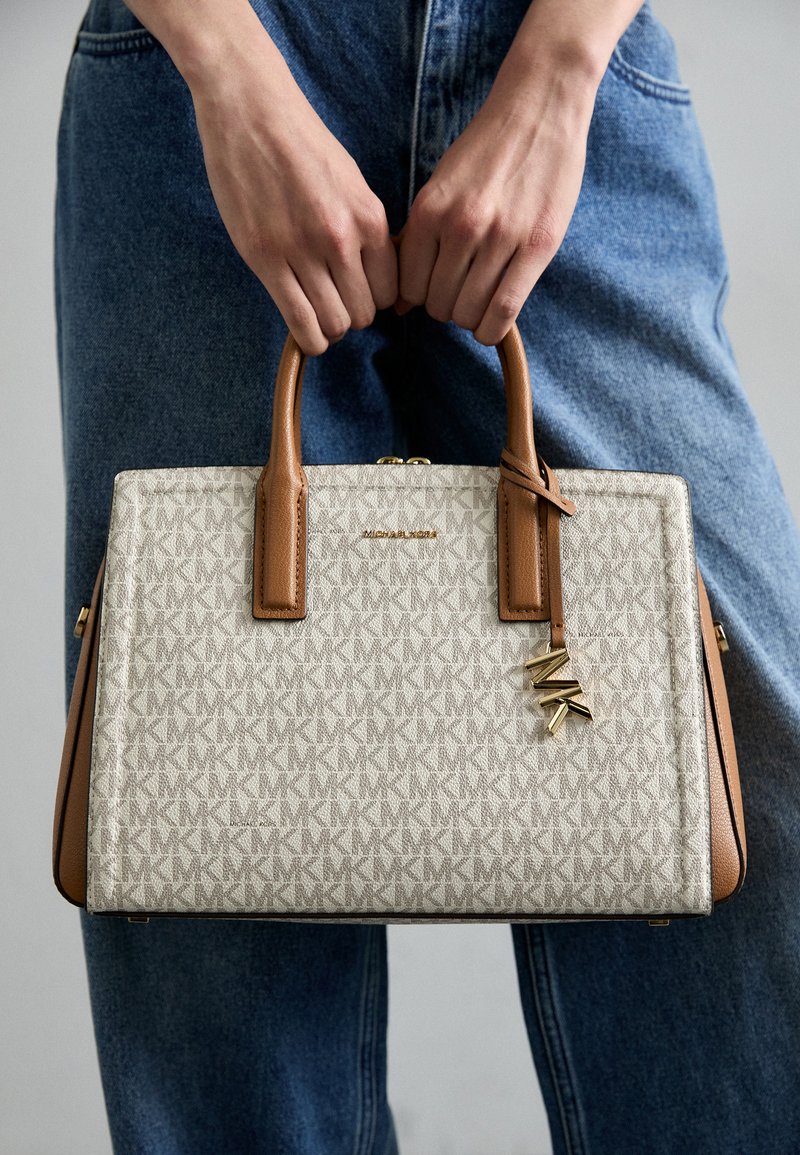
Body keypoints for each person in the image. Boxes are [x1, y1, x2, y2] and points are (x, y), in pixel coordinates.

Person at [56, 0, 800, 1151]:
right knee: (199, 844)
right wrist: (227, 71)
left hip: (567, 66)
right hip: (204, 73)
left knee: (734, 780)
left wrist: (560, 67)